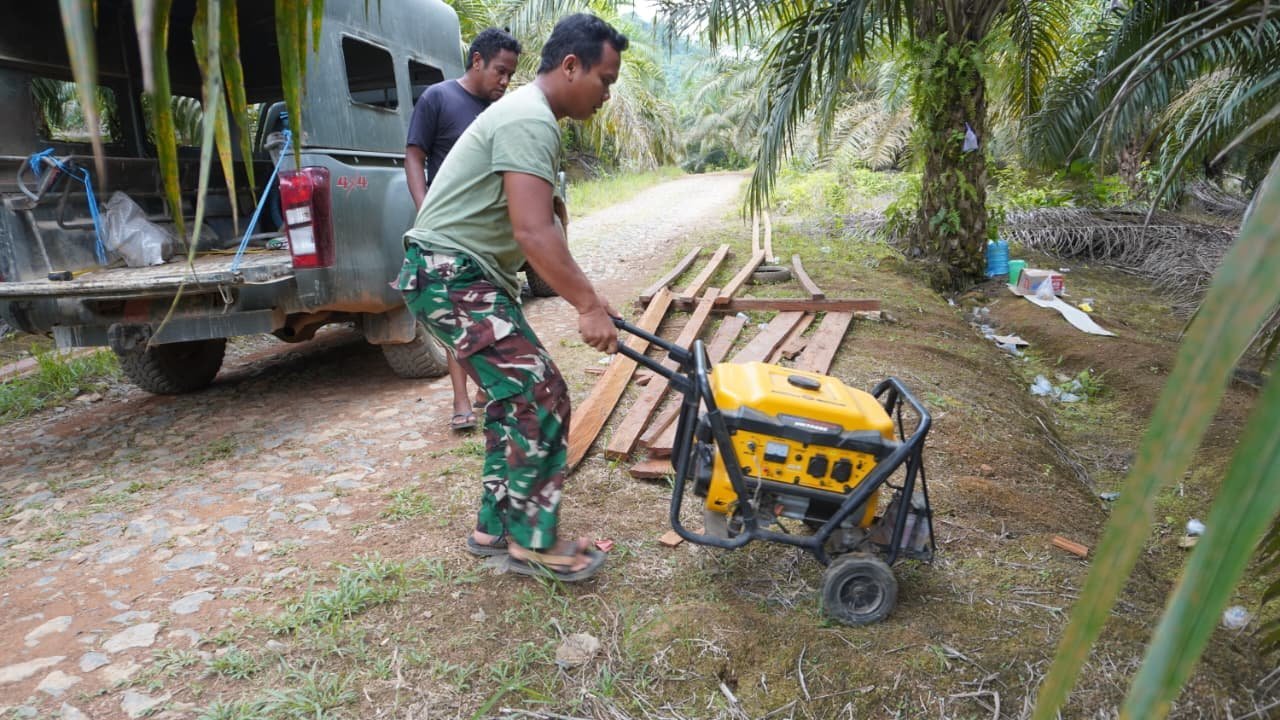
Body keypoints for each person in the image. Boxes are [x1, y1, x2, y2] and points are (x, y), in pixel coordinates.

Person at [394, 13, 627, 582]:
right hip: (451, 274)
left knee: (511, 400)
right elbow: (533, 231)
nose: (606, 94)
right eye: (604, 80)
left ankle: (495, 528)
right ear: (570, 66)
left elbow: (541, 232)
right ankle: (534, 544)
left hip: (450, 274)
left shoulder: (526, 113)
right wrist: (586, 307)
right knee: (540, 395)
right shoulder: (530, 118)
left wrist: (590, 297)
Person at [405, 27, 521, 432]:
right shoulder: (438, 97)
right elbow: (414, 156)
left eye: (510, 75)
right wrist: (426, 211)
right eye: (500, 71)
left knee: (495, 313)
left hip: (489, 233)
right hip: (450, 232)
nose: (505, 81)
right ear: (477, 61)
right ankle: (461, 400)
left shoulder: (501, 111)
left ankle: (489, 390)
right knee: (460, 318)